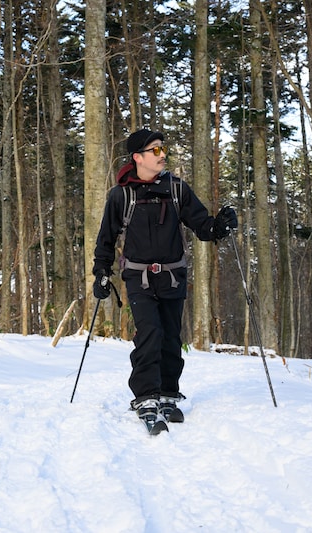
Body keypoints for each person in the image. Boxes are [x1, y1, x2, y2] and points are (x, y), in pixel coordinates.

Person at [92, 129, 237, 428]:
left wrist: (220, 226)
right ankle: (146, 395)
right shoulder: (121, 195)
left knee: (171, 336)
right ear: (137, 157)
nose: (162, 155)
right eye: (155, 150)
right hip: (138, 278)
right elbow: (106, 238)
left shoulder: (177, 189)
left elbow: (203, 226)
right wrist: (102, 273)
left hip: (173, 276)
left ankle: (168, 392)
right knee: (150, 333)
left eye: (162, 149)